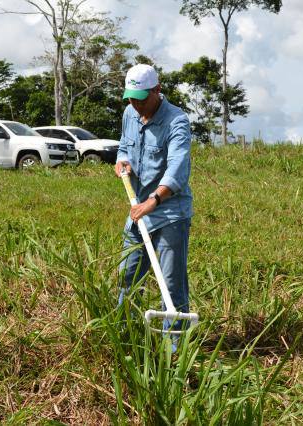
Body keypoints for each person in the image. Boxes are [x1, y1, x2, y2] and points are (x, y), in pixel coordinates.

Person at [114, 63, 193, 334]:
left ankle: (175, 350)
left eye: (140, 100)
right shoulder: (129, 113)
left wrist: (154, 201)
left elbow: (177, 168)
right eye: (130, 100)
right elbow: (124, 144)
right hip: (138, 210)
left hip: (169, 212)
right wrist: (122, 161)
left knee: (172, 286)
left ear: (157, 91)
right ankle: (125, 336)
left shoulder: (177, 121)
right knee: (127, 277)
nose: (135, 106)